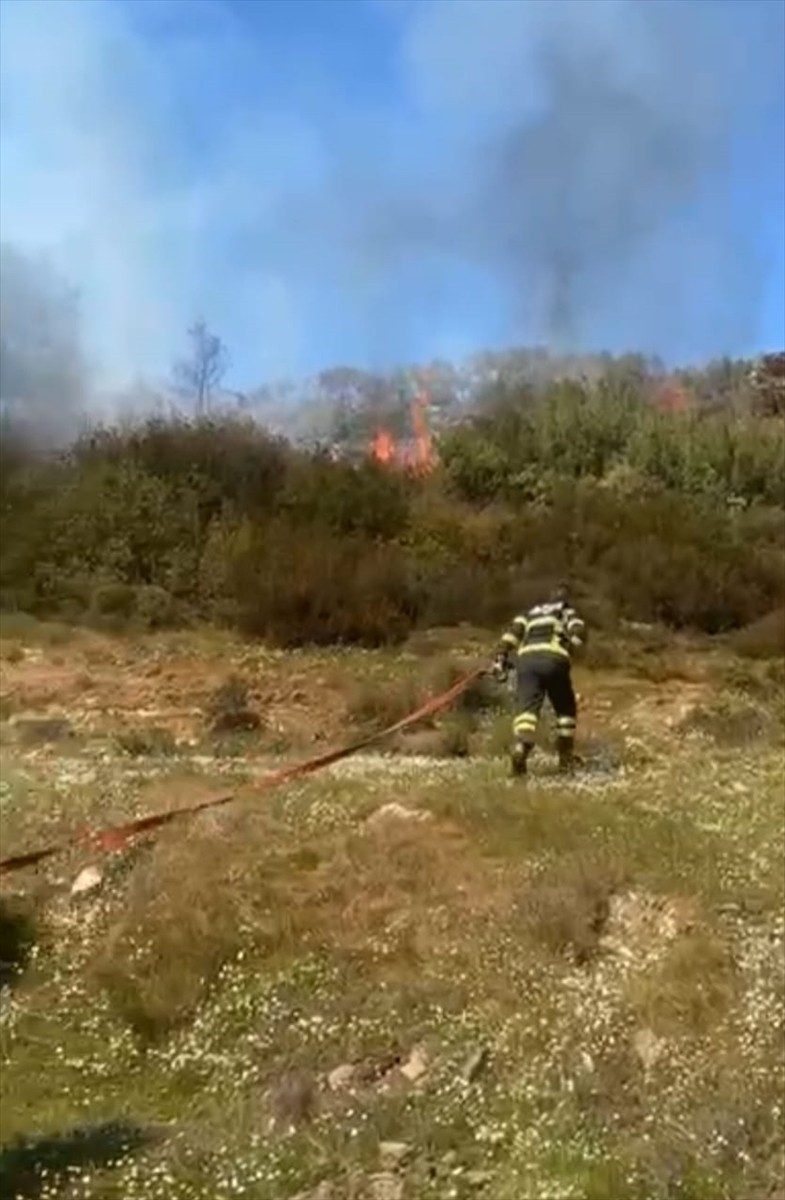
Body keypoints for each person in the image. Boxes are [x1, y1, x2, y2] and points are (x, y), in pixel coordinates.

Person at [492, 582, 586, 777]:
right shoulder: (565, 611)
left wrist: (500, 659)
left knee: (527, 710)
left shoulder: (528, 614)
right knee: (565, 709)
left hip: (527, 662)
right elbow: (578, 629)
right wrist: (573, 644)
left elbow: (510, 636)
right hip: (554, 660)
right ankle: (565, 759)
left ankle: (521, 747)